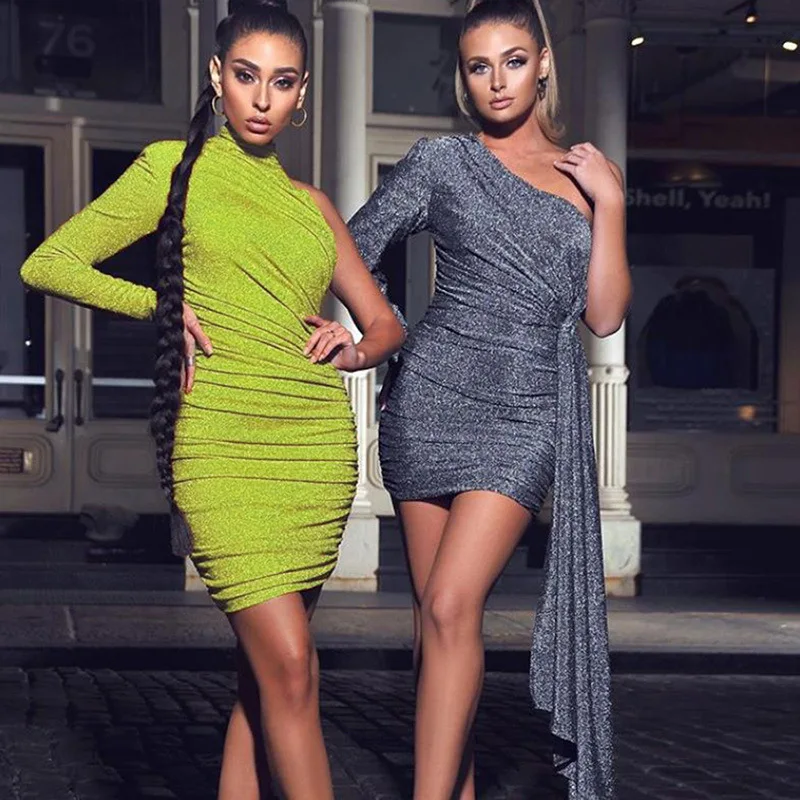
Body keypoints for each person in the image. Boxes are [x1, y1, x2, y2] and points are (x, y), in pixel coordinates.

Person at [19, 1, 404, 797]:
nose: (262, 98)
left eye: (283, 82)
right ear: (216, 75)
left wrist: (354, 346)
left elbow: (386, 324)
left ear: (302, 95)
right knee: (291, 669)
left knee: (265, 682)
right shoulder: (172, 168)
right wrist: (159, 305)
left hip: (312, 451)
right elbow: (49, 263)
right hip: (221, 446)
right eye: (247, 76)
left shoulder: (313, 207)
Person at [349, 0, 631, 798]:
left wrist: (611, 203)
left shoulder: (586, 174)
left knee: (449, 605)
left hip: (525, 413)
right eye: (479, 66)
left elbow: (605, 316)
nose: (497, 80)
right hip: (429, 399)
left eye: (513, 60)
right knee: (435, 625)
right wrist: (381, 329)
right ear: (463, 78)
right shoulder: (442, 162)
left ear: (542, 63)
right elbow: (351, 245)